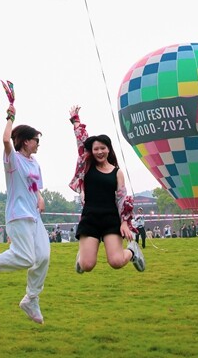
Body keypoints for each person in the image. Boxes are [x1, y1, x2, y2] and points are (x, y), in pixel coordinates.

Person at [0, 95, 50, 325]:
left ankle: (31, 299)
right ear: (25, 141)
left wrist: (39, 196)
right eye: (36, 140)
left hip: (34, 216)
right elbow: (6, 139)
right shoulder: (12, 160)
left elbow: (34, 183)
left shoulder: (35, 163)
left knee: (43, 256)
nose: (38, 144)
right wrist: (10, 116)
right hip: (18, 215)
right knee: (27, 258)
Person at [68, 105, 145, 274]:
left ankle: (132, 251)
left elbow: (122, 200)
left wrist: (125, 223)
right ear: (92, 151)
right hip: (90, 217)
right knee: (87, 265)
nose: (100, 152)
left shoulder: (118, 173)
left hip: (110, 219)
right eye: (96, 149)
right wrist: (76, 121)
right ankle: (82, 256)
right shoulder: (86, 165)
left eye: (103, 148)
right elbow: (81, 142)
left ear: (109, 149)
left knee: (116, 262)